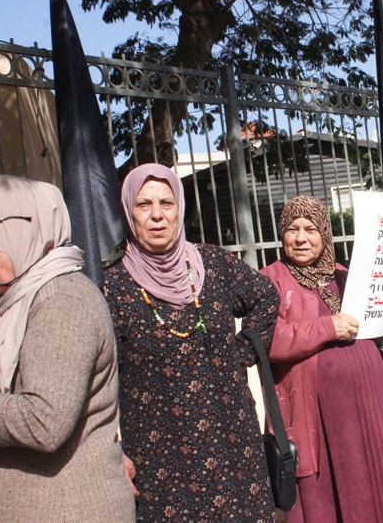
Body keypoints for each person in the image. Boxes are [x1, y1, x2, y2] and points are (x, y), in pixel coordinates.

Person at [103, 163, 280, 521]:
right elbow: (100, 376)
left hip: (233, 441)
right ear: (129, 213)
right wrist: (110, 448)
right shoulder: (113, 286)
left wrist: (241, 352)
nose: (157, 215)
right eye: (144, 204)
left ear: (179, 208)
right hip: (162, 459)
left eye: (166, 203)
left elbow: (266, 297)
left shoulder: (213, 264)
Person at [260, 195, 383, 523]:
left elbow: (375, 337)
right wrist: (328, 327)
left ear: (325, 234)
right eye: (292, 229)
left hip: (369, 415)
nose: (300, 238)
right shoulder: (271, 280)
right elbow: (269, 340)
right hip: (317, 422)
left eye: (310, 229)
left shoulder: (346, 276)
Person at [0, 175, 135, 521]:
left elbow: (44, 420)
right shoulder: (10, 302)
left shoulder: (62, 301)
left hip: (67, 509)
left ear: (18, 233)